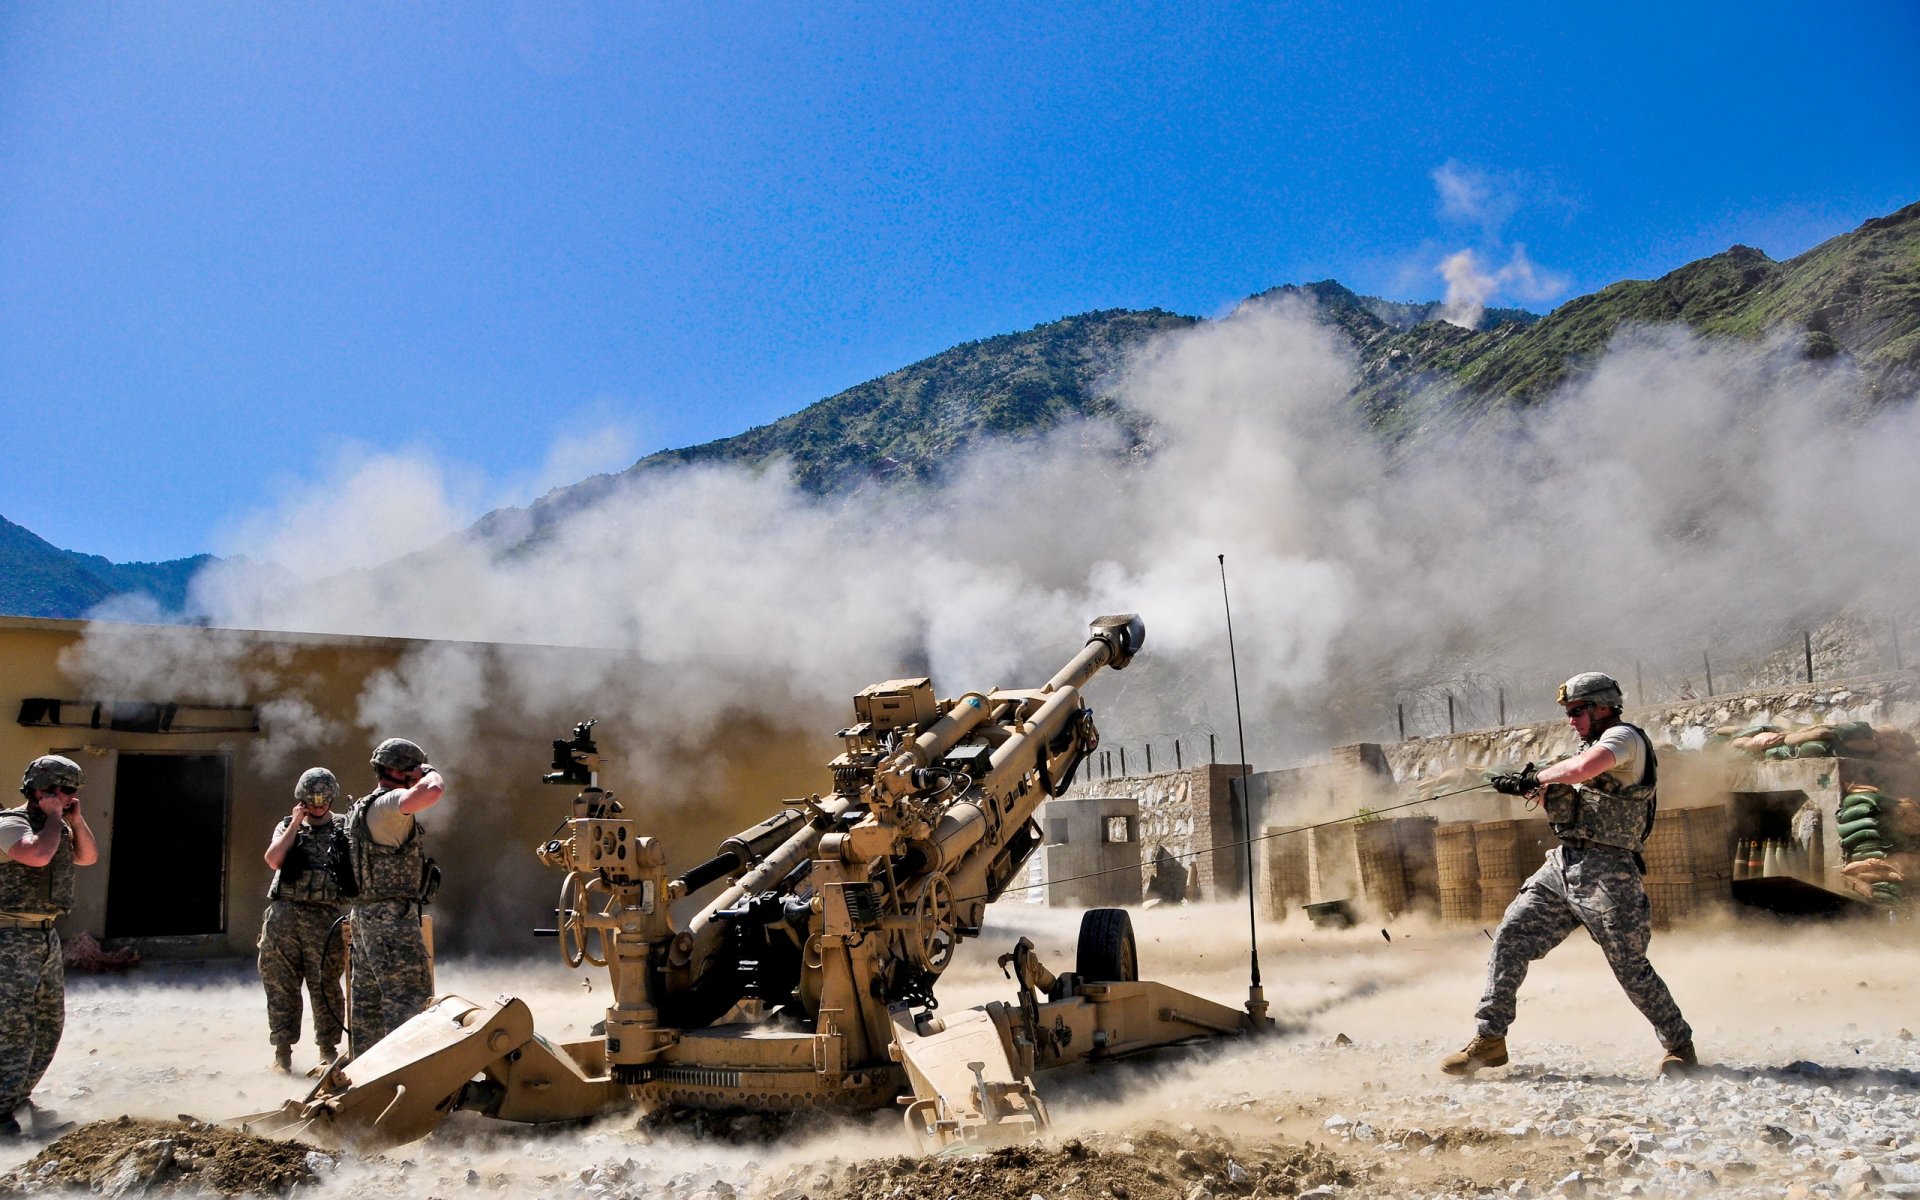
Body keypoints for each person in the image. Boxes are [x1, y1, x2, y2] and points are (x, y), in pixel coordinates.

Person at [1443, 672, 1697, 1078]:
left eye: (1577, 711)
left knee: (1629, 966)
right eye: (1568, 712)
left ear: (1602, 708)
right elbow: (1571, 784)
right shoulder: (1590, 746)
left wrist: (1539, 777)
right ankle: (1490, 1039)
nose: (1571, 719)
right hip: (1563, 866)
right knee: (1510, 937)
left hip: (1609, 872)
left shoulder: (1623, 739)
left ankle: (1679, 1045)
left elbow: (1582, 769)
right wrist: (1532, 787)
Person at [0, 755, 98, 1139]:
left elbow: (88, 856)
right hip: (9, 938)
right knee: (13, 1029)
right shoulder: (11, 824)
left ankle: (16, 1098)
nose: (69, 797)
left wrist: (73, 819)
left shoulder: (58, 827)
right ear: (41, 790)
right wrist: (56, 818)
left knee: (47, 1025)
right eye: (64, 791)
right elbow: (36, 855)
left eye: (72, 792)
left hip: (43, 936)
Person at [345, 737, 444, 1059]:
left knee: (368, 1003)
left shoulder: (362, 807)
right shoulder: (390, 804)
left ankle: (363, 1081)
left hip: (364, 916)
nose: (417, 772)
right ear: (396, 769)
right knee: (410, 1000)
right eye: (412, 767)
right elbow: (433, 793)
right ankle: (410, 1081)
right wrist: (430, 773)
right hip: (390, 919)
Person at [259, 767, 350, 1073]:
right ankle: (282, 1053)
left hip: (323, 916)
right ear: (302, 800)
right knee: (280, 984)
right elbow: (274, 859)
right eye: (312, 800)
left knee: (324, 984)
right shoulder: (288, 826)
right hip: (283, 915)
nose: (318, 804)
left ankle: (327, 1050)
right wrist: (296, 823)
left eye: (324, 799)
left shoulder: (344, 828)